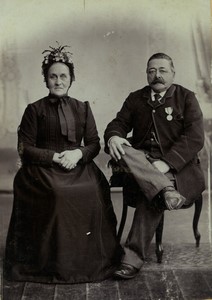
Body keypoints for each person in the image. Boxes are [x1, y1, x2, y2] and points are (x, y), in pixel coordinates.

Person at [4, 43, 121, 284]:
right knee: (58, 194)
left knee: (93, 188)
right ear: (46, 80)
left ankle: (89, 260)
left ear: (71, 79)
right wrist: (53, 157)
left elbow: (93, 143)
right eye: (53, 76)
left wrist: (77, 154)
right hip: (42, 169)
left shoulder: (83, 108)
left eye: (63, 76)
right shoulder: (34, 110)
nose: (58, 81)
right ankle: (55, 263)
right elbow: (25, 147)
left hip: (77, 165)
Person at [104, 53, 205, 279]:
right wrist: (113, 136)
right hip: (142, 163)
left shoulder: (186, 98)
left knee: (151, 195)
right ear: (147, 73)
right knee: (123, 148)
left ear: (173, 73)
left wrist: (167, 163)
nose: (156, 75)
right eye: (151, 71)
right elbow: (118, 124)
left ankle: (131, 260)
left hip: (179, 170)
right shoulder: (135, 98)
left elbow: (195, 137)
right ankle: (165, 189)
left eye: (162, 70)